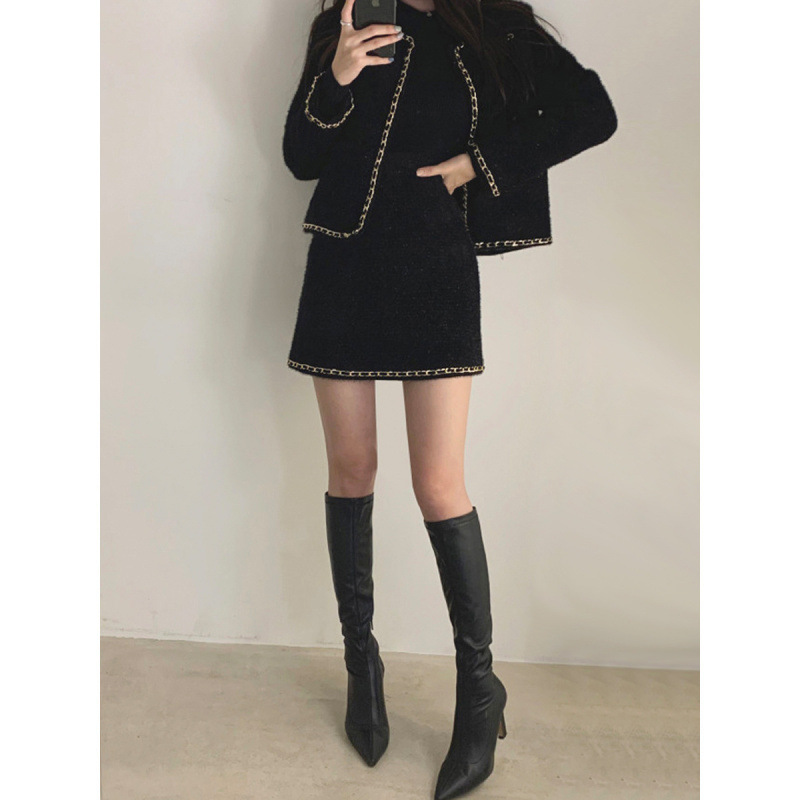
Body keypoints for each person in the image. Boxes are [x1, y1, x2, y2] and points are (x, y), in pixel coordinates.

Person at [281, 1, 617, 797]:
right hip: (343, 268)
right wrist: (337, 76)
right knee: (351, 471)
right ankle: (362, 666)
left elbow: (591, 111)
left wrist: (479, 163)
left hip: (435, 268)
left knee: (438, 485)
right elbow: (300, 157)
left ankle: (478, 692)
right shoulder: (345, 21)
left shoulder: (492, 24)